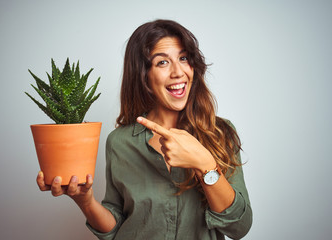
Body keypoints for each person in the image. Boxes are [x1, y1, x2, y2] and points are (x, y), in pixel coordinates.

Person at [37, 19, 252, 240]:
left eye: (184, 58)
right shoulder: (119, 142)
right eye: (162, 63)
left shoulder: (220, 134)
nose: (178, 72)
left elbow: (239, 228)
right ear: (144, 77)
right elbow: (115, 224)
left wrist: (204, 163)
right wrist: (85, 202)